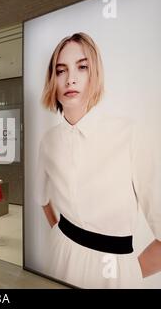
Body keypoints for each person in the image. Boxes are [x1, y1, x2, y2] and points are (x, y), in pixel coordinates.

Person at [36, 32, 161, 288]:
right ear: (53, 80)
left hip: (114, 273)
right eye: (61, 71)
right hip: (60, 256)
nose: (70, 79)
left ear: (95, 74)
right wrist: (59, 235)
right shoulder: (48, 141)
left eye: (82, 67)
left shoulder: (130, 134)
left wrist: (129, 274)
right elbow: (42, 199)